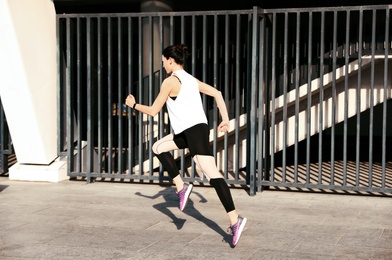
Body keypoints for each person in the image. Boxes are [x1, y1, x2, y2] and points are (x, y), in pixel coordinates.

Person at [125, 44, 247, 247]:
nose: (163, 64)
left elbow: (154, 110)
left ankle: (235, 220)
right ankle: (182, 186)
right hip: (191, 131)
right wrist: (225, 119)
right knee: (158, 148)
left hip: (192, 131)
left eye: (164, 61)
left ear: (171, 60)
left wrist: (134, 105)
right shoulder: (191, 79)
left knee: (212, 174)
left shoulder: (170, 81)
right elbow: (217, 93)